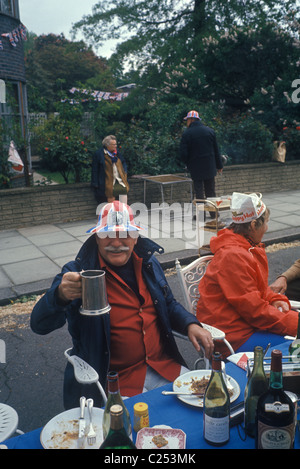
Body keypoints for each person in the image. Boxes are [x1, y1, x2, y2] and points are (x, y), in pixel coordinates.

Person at [30, 201, 214, 409]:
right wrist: (60, 295)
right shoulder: (78, 272)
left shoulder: (148, 263)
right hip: (114, 383)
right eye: (108, 235)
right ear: (97, 238)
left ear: (135, 238)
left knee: (207, 405)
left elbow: (168, 304)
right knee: (139, 434)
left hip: (164, 366)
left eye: (124, 234)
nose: (116, 243)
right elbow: (39, 325)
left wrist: (191, 324)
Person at [195, 192, 298, 356]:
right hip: (232, 336)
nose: (267, 228)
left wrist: (275, 298)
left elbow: (258, 291)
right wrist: (295, 324)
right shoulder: (234, 255)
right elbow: (255, 311)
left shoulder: (243, 246)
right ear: (253, 225)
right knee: (295, 349)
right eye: (266, 223)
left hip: (243, 325)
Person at [180, 110, 223, 223]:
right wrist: (219, 165)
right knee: (211, 191)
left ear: (191, 120)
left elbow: (184, 153)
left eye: (187, 120)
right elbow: (216, 150)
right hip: (210, 166)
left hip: (196, 167)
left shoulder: (187, 134)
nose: (186, 123)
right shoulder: (210, 131)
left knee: (199, 193)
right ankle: (214, 214)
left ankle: (201, 216)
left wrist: (187, 163)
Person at [91, 135, 129, 204]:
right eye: (113, 144)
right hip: (107, 182)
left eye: (116, 144)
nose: (115, 146)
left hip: (119, 181)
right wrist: (95, 184)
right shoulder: (99, 154)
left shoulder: (118, 153)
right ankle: (113, 213)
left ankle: (123, 213)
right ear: (107, 145)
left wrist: (125, 173)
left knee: (124, 191)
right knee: (110, 196)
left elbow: (123, 163)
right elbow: (95, 170)